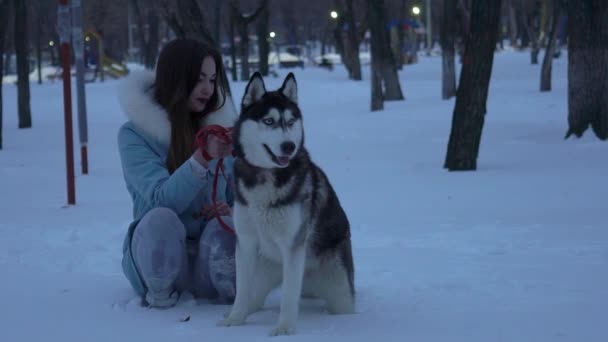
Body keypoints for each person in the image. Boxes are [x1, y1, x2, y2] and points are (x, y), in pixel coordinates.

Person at [117, 39, 238, 308]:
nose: (208, 88)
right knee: (159, 219)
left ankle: (227, 293)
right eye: (199, 79)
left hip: (210, 262)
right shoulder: (135, 135)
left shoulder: (221, 131)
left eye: (212, 79)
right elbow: (160, 200)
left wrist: (230, 209)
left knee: (227, 227)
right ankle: (160, 299)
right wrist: (201, 158)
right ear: (176, 78)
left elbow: (240, 194)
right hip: (157, 259)